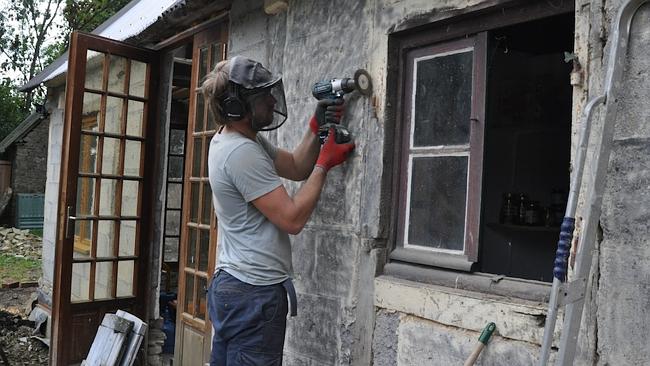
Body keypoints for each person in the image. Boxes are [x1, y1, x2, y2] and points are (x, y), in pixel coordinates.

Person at [200, 55, 355, 365]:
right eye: (262, 96)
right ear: (236, 106)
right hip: (252, 295)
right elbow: (292, 218)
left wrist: (315, 126)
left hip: (237, 288)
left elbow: (296, 167)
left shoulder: (241, 139)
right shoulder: (240, 152)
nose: (272, 101)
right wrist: (325, 163)